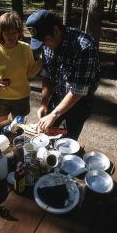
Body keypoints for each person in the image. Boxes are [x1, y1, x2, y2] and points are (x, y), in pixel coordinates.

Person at [26, 9, 100, 140]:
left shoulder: (84, 47)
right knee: (45, 135)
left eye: (45, 41)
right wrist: (44, 102)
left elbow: (78, 90)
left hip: (80, 103)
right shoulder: (47, 43)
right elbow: (47, 74)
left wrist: (54, 114)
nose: (44, 46)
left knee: (67, 141)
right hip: (58, 96)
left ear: (55, 30)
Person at [0, 11, 42, 125]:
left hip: (21, 97)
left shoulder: (25, 48)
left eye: (14, 32)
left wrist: (41, 60)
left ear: (19, 32)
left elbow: (31, 72)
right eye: (7, 33)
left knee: (17, 130)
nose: (12, 36)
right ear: (0, 33)